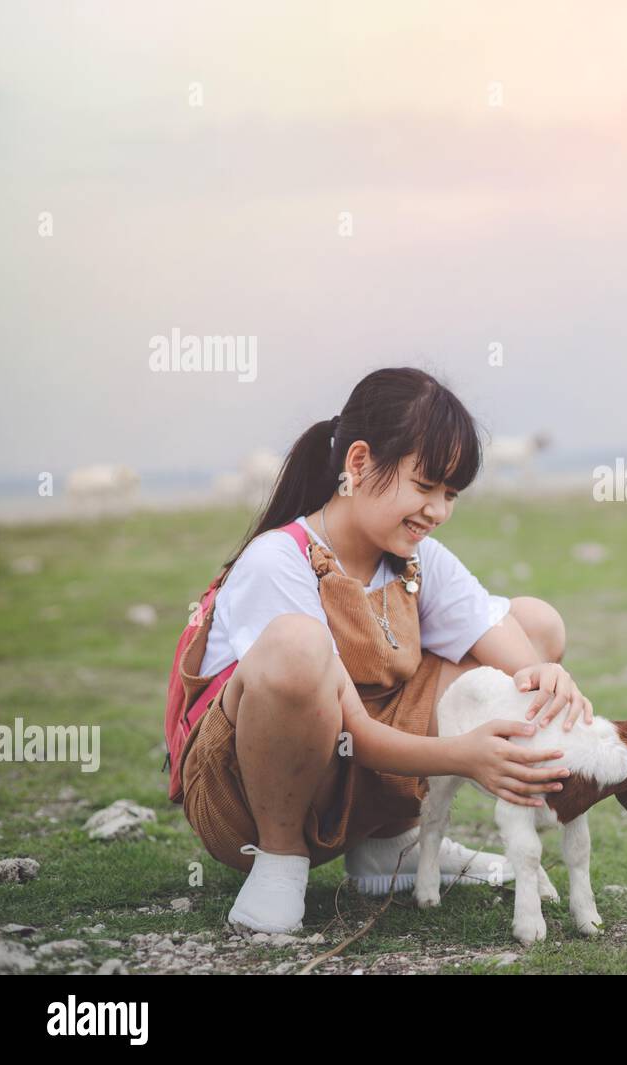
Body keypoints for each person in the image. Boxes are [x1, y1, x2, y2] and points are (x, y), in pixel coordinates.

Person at [177, 366, 594, 933]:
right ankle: (279, 865)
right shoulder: (279, 559)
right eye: (424, 487)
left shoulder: (418, 559)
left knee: (535, 627)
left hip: (359, 780)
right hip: (249, 798)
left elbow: (522, 651)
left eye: (450, 494)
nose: (439, 511)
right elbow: (355, 732)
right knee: (298, 648)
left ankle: (388, 844)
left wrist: (548, 677)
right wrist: (467, 756)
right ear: (358, 463)